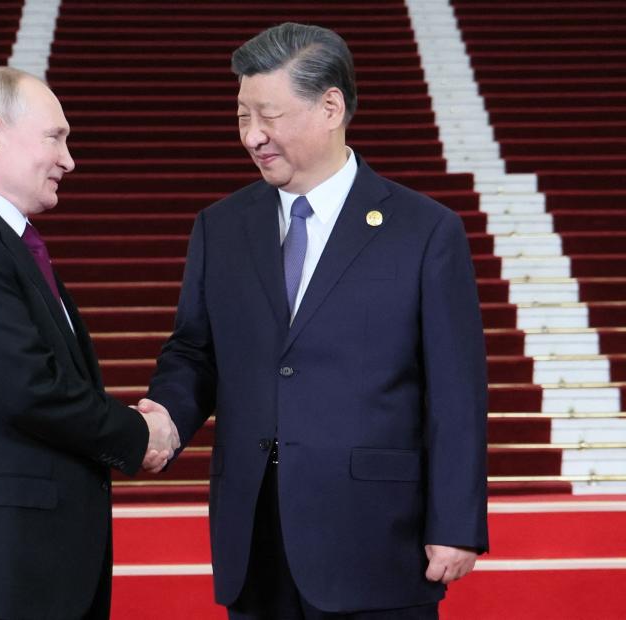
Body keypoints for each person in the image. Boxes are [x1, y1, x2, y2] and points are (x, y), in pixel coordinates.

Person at [139, 23, 489, 619]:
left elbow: (456, 390)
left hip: (378, 538)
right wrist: (167, 416)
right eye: (242, 115)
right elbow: (195, 352)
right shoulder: (220, 227)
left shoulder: (424, 230)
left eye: (268, 116)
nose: (252, 136)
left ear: (331, 107)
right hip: (254, 535)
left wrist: (456, 522)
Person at [0, 66, 179, 620]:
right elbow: (28, 388)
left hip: (24, 565)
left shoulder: (0, 242)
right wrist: (138, 434)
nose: (69, 160)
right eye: (56, 137)